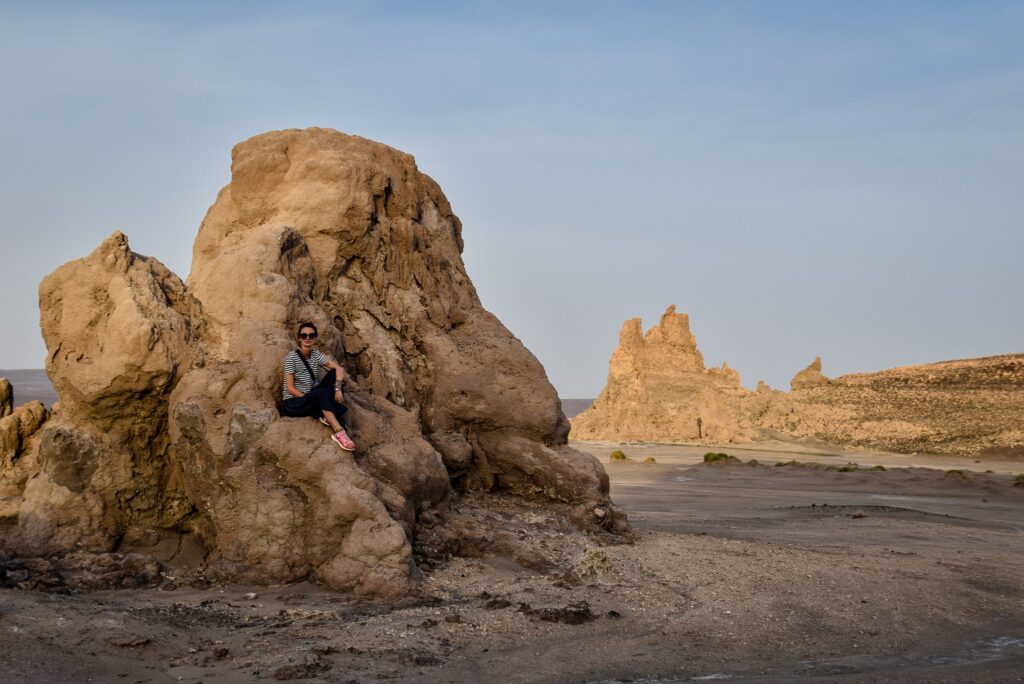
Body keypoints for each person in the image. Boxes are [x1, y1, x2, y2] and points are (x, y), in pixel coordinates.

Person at [279, 322, 356, 451]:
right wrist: (311, 399)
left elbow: (338, 369)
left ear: (315, 338)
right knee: (319, 393)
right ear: (299, 338)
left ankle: (325, 412)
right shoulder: (291, 358)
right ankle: (339, 432)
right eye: (304, 335)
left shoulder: (315, 354)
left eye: (311, 335)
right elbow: (290, 388)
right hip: (293, 403)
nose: (307, 338)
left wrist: (337, 390)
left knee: (333, 375)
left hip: (310, 398)